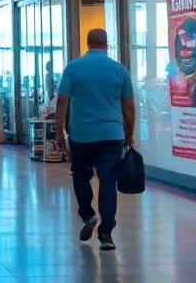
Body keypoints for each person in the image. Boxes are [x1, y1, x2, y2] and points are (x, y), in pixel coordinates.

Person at [54, 28, 135, 252]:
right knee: (108, 181)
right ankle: (106, 234)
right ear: (106, 44)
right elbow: (128, 106)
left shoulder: (73, 67)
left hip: (82, 135)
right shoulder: (119, 70)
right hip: (112, 135)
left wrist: (59, 131)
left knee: (80, 174)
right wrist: (129, 134)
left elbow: (62, 102)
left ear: (87, 43)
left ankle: (88, 215)